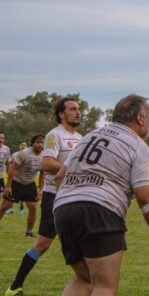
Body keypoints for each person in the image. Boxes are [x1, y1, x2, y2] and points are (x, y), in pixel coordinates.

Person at [53, 94, 149, 295]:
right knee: (104, 286)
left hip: (63, 209)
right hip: (99, 211)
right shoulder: (138, 145)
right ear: (140, 118)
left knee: (84, 279)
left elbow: (60, 177)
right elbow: (146, 197)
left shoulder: (90, 136)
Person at [6, 97, 83, 296]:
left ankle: (89, 283)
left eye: (79, 109)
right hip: (55, 197)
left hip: (75, 197)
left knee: (84, 240)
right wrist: (74, 169)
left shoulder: (81, 138)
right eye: (73, 109)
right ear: (61, 114)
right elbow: (47, 163)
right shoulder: (54, 136)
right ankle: (15, 287)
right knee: (43, 244)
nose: (78, 112)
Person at [0, 134, 45, 237]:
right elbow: (12, 168)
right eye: (37, 142)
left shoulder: (44, 156)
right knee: (4, 207)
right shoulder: (23, 154)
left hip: (30, 184)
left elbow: (42, 173)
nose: (40, 145)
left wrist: (40, 189)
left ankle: (29, 232)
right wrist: (8, 186)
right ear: (33, 143)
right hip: (16, 182)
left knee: (33, 207)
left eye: (42, 142)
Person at [0, 131, 10, 196]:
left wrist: (10, 179)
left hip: (0, 177)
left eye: (2, 138)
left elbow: (8, 164)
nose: (0, 140)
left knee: (1, 196)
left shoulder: (6, 149)